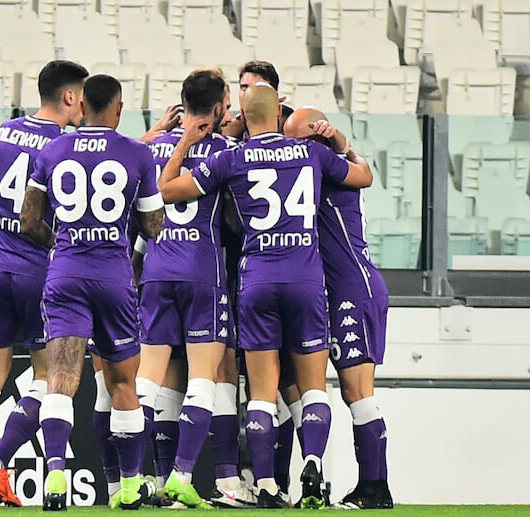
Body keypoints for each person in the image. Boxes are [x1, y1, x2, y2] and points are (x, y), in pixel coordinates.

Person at [157, 83, 373, 508]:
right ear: (279, 113)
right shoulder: (310, 154)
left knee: (260, 391)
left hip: (257, 279)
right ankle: (312, 463)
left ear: (241, 112)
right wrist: (340, 140)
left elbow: (166, 188)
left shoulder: (230, 158)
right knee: (313, 387)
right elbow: (362, 175)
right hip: (307, 280)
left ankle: (268, 487)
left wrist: (183, 142)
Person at [20, 74, 164, 511]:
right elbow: (155, 226)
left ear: (81, 104)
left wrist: (65, 243)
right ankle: (130, 485)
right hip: (114, 278)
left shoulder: (53, 149)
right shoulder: (137, 154)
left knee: (61, 380)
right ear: (119, 108)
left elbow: (29, 220)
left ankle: (57, 476)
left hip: (65, 274)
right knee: (123, 382)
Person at [0, 60, 89, 508]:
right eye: (82, 95)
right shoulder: (65, 145)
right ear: (70, 97)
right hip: (39, 269)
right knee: (49, 377)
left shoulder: (4, 131)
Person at [134, 69, 255, 509]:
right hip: (204, 274)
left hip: (157, 270)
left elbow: (142, 174)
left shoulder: (152, 149)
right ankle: (183, 475)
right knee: (203, 378)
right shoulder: (225, 150)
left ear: (183, 102)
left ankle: (137, 478)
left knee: (147, 379)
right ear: (222, 103)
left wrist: (167, 135)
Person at [284, 107, 393, 510]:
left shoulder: (331, 175)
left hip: (354, 290)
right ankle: (318, 483)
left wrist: (342, 144)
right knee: (311, 389)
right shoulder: (323, 172)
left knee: (357, 393)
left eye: (295, 142)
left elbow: (362, 171)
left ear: (315, 144)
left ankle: (375, 487)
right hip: (326, 292)